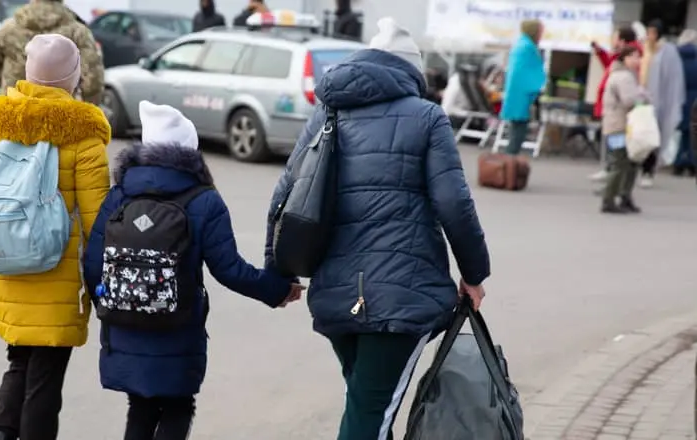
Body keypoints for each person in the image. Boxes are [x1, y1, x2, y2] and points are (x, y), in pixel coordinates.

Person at [264, 17, 490, 440]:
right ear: (411, 72)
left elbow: (286, 193)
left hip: (336, 294)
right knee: (369, 418)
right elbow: (453, 203)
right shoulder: (426, 117)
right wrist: (474, 275)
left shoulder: (327, 112)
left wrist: (279, 271)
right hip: (400, 299)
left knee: (368, 408)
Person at [83, 101, 304, 440]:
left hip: (125, 323)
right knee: (177, 406)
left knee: (140, 407)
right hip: (178, 325)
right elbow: (229, 269)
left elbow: (94, 262)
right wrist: (277, 290)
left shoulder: (120, 196)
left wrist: (110, 307)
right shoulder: (203, 200)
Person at [0, 34, 111, 440]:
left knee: (18, 361)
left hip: (2, 265)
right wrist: (100, 288)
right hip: (57, 273)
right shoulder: (85, 134)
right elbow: (98, 221)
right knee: (45, 378)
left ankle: (1, 434)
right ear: (74, 77)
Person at [0, 0, 104, 104]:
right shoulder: (78, 32)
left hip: (13, 111)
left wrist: (13, 85)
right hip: (61, 115)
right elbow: (93, 80)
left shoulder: (8, 29)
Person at [589, 25, 639, 182]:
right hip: (613, 112)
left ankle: (612, 174)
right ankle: (611, 171)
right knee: (613, 142)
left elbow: (628, 99)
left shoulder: (627, 65)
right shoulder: (619, 61)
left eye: (616, 37)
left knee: (616, 144)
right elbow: (608, 63)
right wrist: (599, 51)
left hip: (617, 114)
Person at [640, 19, 686, 187]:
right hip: (641, 100)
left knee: (653, 138)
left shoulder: (668, 51)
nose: (650, 36)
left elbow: (673, 79)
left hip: (659, 102)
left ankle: (648, 170)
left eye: (653, 32)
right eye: (648, 32)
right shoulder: (644, 49)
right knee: (639, 136)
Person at [600, 45, 645, 214]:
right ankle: (610, 198)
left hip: (614, 125)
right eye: (633, 56)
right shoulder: (625, 77)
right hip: (620, 126)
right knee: (620, 163)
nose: (637, 60)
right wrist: (642, 101)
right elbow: (628, 101)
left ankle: (622, 197)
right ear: (624, 58)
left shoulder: (617, 74)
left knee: (626, 162)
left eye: (638, 57)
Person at [500, 19, 547, 156]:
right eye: (540, 31)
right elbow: (528, 71)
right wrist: (538, 86)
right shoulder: (527, 47)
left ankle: (508, 165)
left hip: (516, 94)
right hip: (520, 95)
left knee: (516, 133)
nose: (541, 35)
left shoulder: (522, 45)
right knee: (517, 135)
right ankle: (508, 166)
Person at [675, 29, 697, 177]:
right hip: (694, 97)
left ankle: (679, 161)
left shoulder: (675, 57)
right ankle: (691, 161)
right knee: (692, 132)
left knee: (682, 132)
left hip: (678, 97)